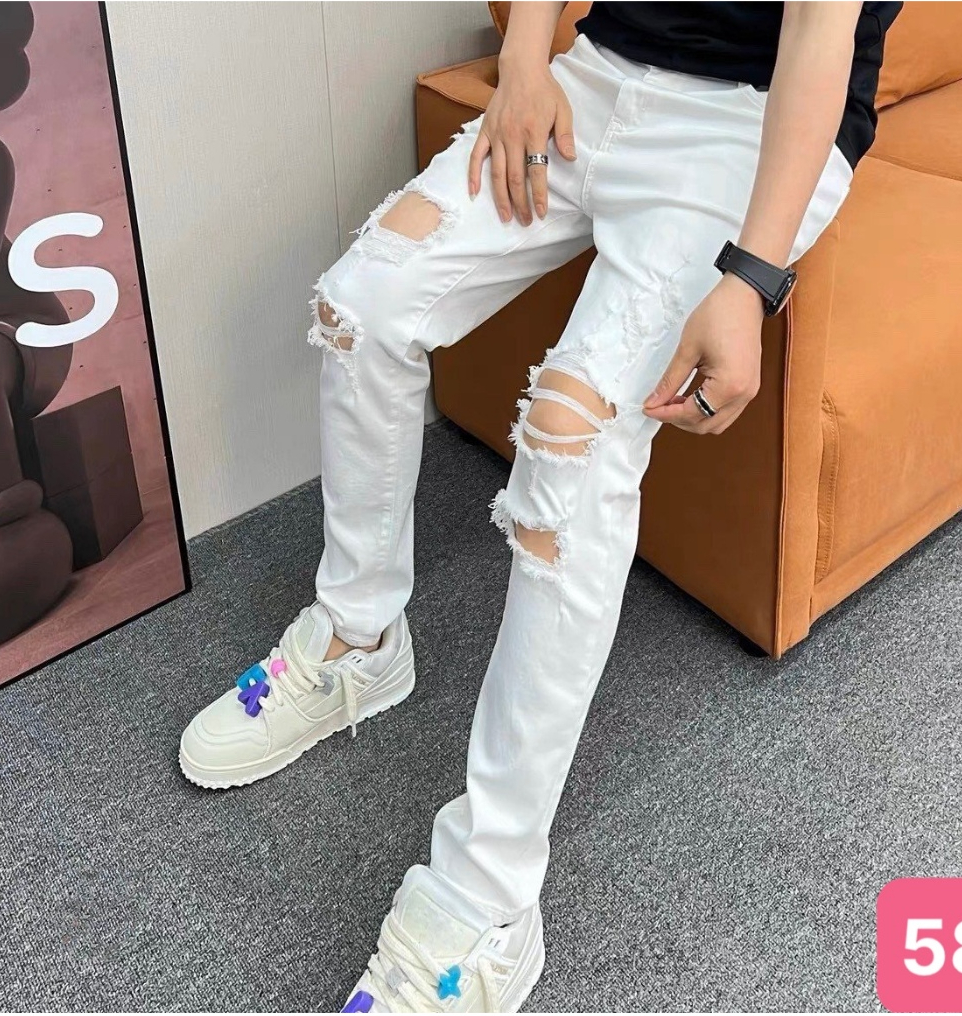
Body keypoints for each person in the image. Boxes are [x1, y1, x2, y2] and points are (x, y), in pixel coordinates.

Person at [179, 2, 901, 1011]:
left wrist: (751, 275)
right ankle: (356, 636)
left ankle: (488, 894)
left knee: (573, 438)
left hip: (751, 128)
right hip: (598, 74)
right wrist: (525, 58)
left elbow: (821, 34)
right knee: (362, 306)